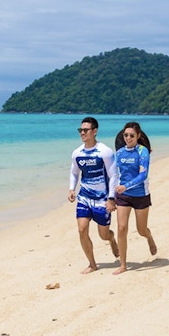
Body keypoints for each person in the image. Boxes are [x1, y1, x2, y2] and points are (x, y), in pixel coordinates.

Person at [68, 117, 120, 274]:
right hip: (84, 197)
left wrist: (111, 198)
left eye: (85, 130)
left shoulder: (105, 151)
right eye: (80, 130)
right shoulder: (77, 153)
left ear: (94, 131)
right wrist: (72, 189)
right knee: (82, 229)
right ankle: (92, 264)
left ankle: (111, 239)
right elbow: (74, 172)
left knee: (103, 235)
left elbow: (113, 176)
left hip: (102, 199)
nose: (82, 133)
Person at [112, 121, 157, 275]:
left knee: (141, 230)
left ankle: (149, 237)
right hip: (123, 195)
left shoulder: (142, 152)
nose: (128, 138)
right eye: (126, 135)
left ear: (138, 136)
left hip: (140, 195)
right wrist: (111, 195)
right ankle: (123, 264)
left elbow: (143, 175)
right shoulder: (119, 153)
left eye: (132, 135)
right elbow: (115, 175)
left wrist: (126, 186)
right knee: (121, 228)